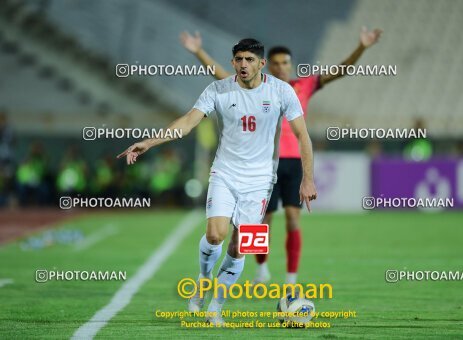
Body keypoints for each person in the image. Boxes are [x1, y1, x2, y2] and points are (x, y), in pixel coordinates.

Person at [117, 38, 317, 325]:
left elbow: (302, 136)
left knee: (240, 247)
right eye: (238, 59)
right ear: (233, 62)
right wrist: (149, 142)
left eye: (249, 59)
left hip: (261, 181)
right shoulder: (218, 89)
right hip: (224, 172)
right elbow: (187, 122)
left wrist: (307, 179)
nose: (243, 64)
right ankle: (203, 278)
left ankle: (215, 308)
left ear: (262, 63)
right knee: (215, 235)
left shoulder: (282, 91)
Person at [180, 27, 382, 285]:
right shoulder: (254, 87)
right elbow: (220, 76)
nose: (281, 68)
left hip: (294, 161)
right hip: (266, 165)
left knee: (292, 218)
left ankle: (290, 277)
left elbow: (342, 70)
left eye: (285, 63)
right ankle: (261, 269)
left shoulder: (302, 86)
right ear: (267, 65)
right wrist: (198, 51)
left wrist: (362, 47)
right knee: (262, 221)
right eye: (275, 64)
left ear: (291, 64)